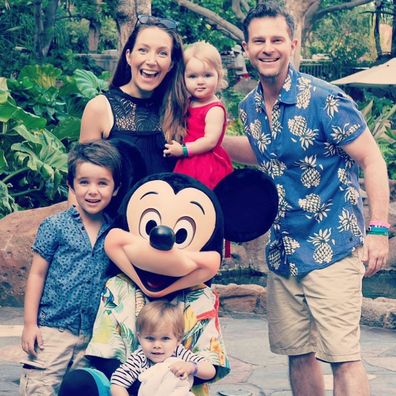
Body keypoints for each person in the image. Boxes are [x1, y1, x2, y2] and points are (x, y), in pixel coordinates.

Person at [222, 2, 389, 396]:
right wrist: (204, 145)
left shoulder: (325, 99)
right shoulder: (249, 109)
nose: (268, 48)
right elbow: (263, 152)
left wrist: (378, 229)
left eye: (277, 39)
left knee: (343, 357)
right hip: (283, 252)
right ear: (246, 47)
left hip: (331, 244)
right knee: (298, 354)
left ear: (293, 44)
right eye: (258, 40)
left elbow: (372, 158)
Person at [20, 140, 122, 395]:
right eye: (84, 182)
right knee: (39, 388)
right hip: (51, 331)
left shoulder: (115, 233)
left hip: (91, 338)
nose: (93, 191)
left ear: (116, 188)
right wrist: (30, 324)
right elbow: (37, 274)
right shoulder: (55, 226)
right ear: (71, 185)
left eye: (102, 183)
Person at [73, 14, 188, 210]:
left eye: (162, 53)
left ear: (171, 64)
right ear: (129, 56)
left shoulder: (179, 109)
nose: (151, 61)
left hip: (167, 230)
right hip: (113, 231)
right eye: (143, 50)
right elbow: (81, 182)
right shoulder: (100, 108)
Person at [163, 41, 233, 190]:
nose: (200, 82)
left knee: (201, 198)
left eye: (207, 75)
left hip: (206, 164)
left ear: (219, 75)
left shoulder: (214, 109)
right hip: (188, 162)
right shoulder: (188, 102)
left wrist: (183, 150)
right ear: (183, 78)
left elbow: (210, 141)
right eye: (193, 76)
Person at [110, 300, 216, 396]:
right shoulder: (139, 358)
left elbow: (210, 371)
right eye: (150, 338)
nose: (157, 345)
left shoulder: (179, 352)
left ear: (178, 339)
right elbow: (117, 383)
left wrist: (191, 367)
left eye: (165, 338)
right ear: (139, 337)